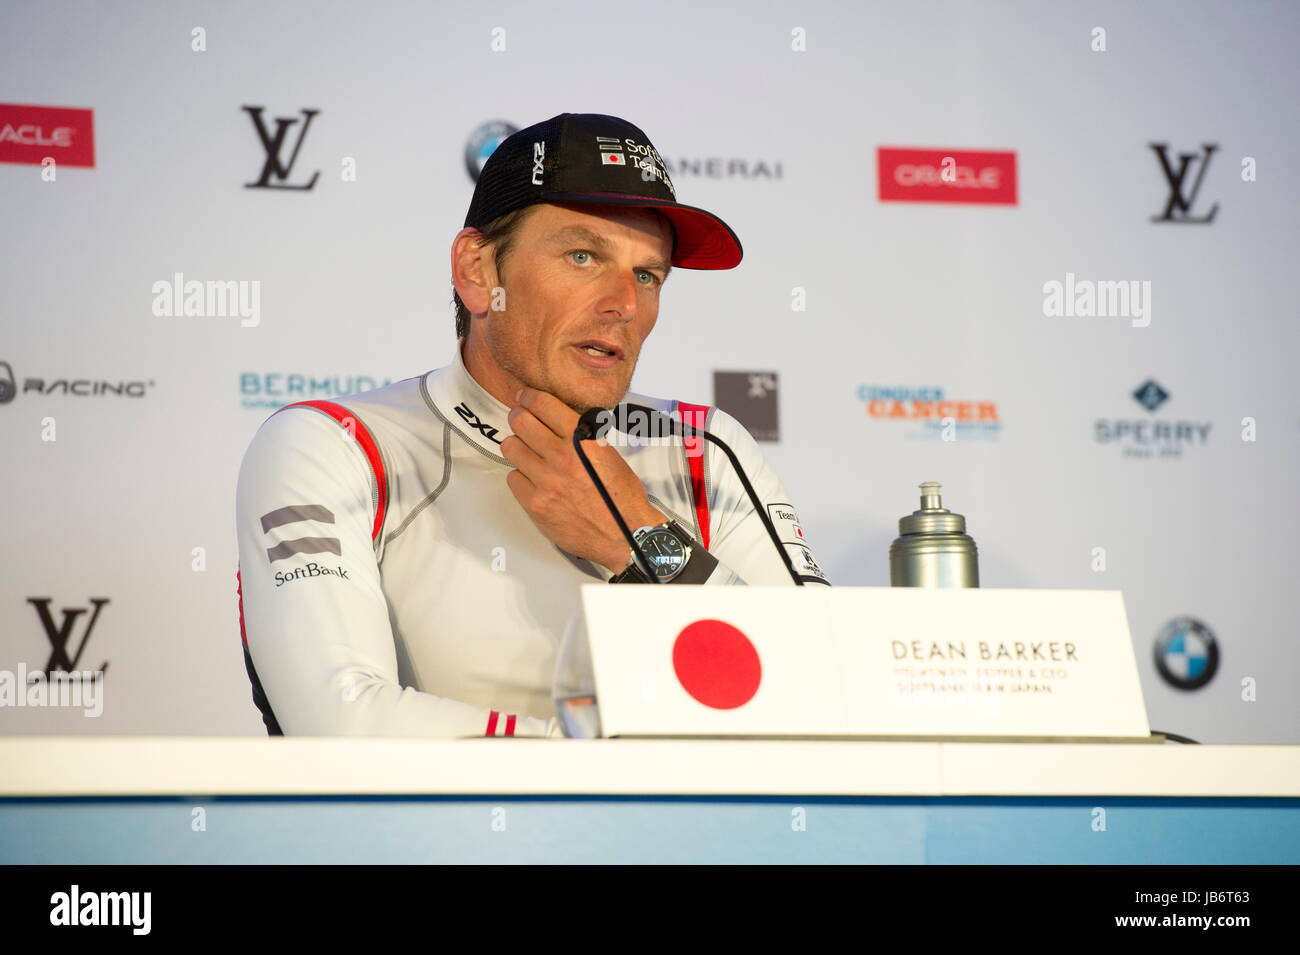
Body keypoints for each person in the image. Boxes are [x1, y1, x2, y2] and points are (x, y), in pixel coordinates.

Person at [234, 112, 829, 738]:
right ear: (478, 271)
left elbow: (829, 694)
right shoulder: (335, 445)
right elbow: (340, 723)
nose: (625, 303)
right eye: (583, 255)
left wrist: (642, 544)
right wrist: (610, 765)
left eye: (648, 274)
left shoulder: (705, 448)